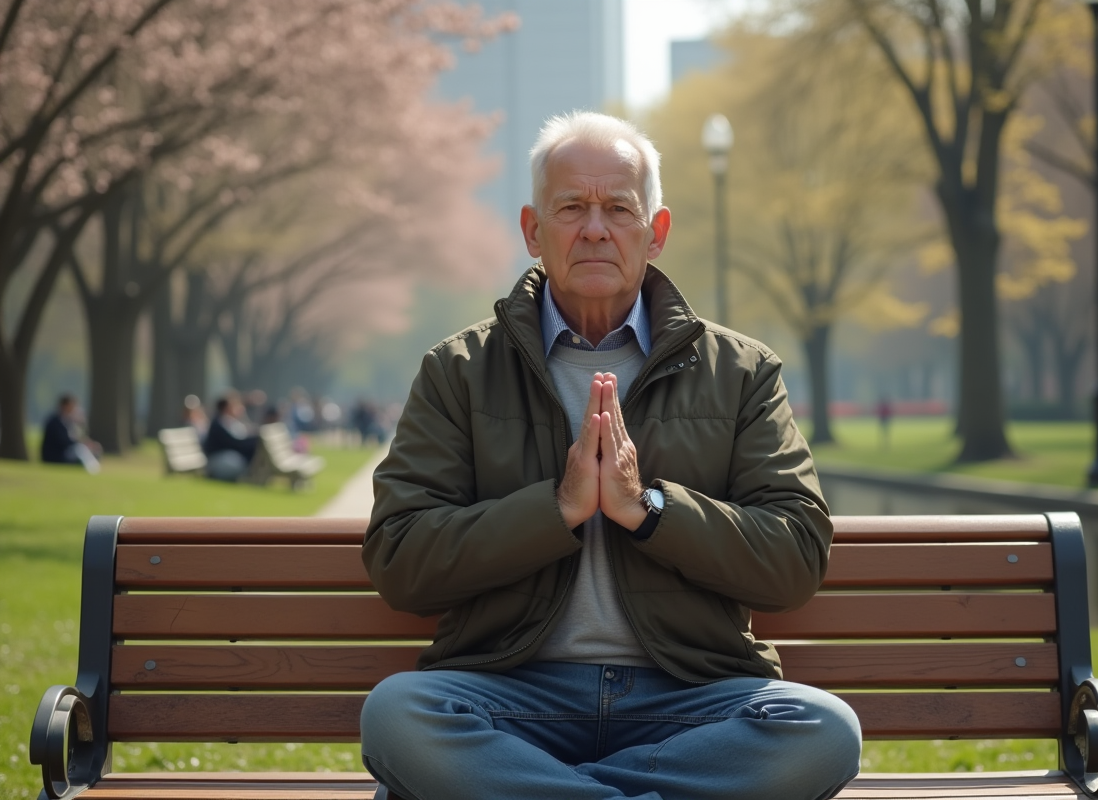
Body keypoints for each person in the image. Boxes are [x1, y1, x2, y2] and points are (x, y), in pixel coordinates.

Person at [360, 112, 860, 800]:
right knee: (396, 715)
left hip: (689, 697)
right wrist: (556, 510)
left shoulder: (741, 372)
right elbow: (400, 560)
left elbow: (796, 559)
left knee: (824, 728)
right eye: (572, 207)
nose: (594, 227)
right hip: (511, 694)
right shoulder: (459, 370)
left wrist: (647, 510)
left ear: (654, 233)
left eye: (618, 208)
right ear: (534, 230)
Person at [202, 392, 259, 482]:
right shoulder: (220, 423)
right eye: (235, 405)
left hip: (228, 456)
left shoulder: (230, 421)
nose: (239, 408)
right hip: (218, 461)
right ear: (226, 407)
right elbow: (235, 443)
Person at [40, 394, 101, 473]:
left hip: (63, 452)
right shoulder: (54, 421)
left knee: (86, 448)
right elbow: (63, 441)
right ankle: (92, 469)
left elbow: (76, 435)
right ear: (65, 406)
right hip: (55, 456)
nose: (73, 408)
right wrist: (81, 443)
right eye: (71, 406)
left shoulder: (67, 420)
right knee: (81, 449)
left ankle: (93, 468)